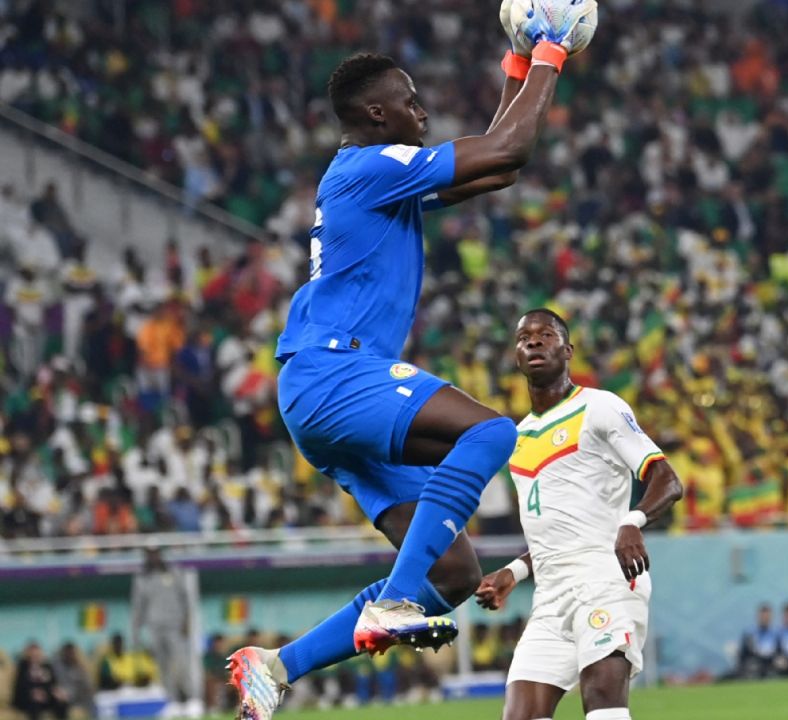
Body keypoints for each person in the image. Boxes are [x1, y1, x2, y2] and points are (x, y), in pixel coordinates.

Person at [226, 4, 599, 719]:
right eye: (408, 102)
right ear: (374, 113)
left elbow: (494, 165)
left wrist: (517, 67)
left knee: (454, 571)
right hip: (335, 372)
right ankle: (395, 601)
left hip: (323, 396)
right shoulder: (369, 168)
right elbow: (510, 152)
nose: (422, 112)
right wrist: (553, 51)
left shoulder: (376, 178)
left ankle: (276, 666)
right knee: (490, 432)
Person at [474, 308, 683, 720]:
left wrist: (632, 521)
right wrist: (513, 573)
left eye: (545, 335)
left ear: (567, 350)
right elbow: (560, 532)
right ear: (516, 357)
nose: (533, 341)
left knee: (603, 706)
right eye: (524, 337)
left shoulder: (599, 407)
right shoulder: (516, 440)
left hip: (606, 579)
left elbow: (667, 480)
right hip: (551, 597)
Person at [131, 546, 201, 717]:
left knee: (181, 662)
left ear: (160, 555)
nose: (153, 557)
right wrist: (136, 632)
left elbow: (186, 599)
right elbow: (138, 607)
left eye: (155, 553)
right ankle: (172, 701)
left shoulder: (173, 573)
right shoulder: (142, 578)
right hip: (155, 628)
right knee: (163, 667)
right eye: (149, 554)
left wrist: (187, 622)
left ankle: (192, 699)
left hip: (174, 625)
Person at [13, 641, 68, 720]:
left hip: (46, 695)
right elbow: (20, 686)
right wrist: (33, 693)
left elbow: (53, 683)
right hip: (27, 697)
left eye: (37, 653)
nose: (35, 656)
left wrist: (57, 691)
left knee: (61, 701)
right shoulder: (23, 666)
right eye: (32, 654)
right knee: (34, 703)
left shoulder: (47, 666)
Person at [736, 604, 779, 680]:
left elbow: (778, 651)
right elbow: (745, 653)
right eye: (763, 616)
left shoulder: (775, 633)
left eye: (767, 616)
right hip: (754, 663)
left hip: (770, 663)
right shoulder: (750, 633)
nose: (765, 619)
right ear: (758, 617)